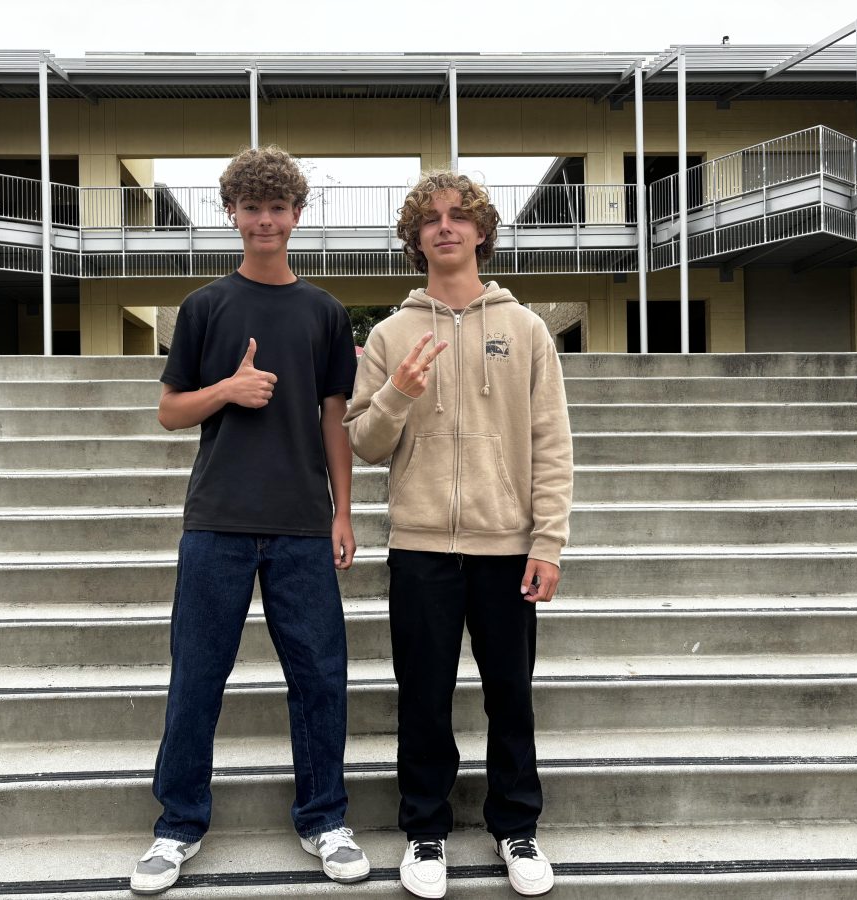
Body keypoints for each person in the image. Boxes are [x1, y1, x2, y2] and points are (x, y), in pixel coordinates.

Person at [130, 145, 369, 894]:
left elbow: (336, 418)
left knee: (320, 677)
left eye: (278, 207)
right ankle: (176, 827)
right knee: (197, 674)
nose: (265, 220)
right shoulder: (205, 307)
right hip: (218, 520)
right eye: (251, 207)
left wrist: (344, 511)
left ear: (297, 215)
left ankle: (324, 818)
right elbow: (170, 412)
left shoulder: (326, 313)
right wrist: (227, 389)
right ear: (231, 213)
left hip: (302, 522)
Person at [343, 172, 572, 898]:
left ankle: (517, 825)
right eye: (431, 219)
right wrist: (399, 392)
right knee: (424, 695)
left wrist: (548, 541)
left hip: (507, 546)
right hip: (420, 547)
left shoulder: (526, 328)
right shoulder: (389, 333)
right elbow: (363, 444)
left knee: (511, 693)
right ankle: (426, 832)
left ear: (480, 232)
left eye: (459, 217)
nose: (445, 227)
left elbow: (551, 441)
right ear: (415, 238)